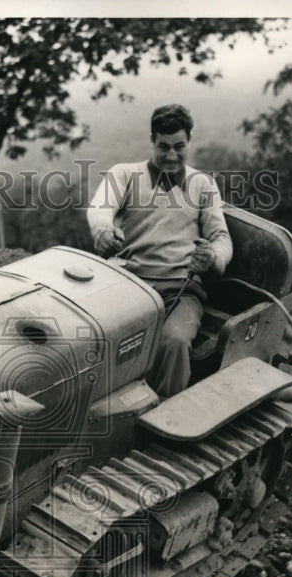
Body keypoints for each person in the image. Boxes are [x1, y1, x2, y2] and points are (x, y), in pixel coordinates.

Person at [86, 104, 233, 397]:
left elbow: (221, 237)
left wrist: (213, 258)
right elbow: (99, 209)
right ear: (152, 140)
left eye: (179, 146)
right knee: (96, 339)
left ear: (189, 141)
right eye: (163, 146)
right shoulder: (124, 175)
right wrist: (103, 231)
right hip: (128, 285)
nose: (171, 155)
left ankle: (164, 421)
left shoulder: (203, 184)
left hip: (180, 290)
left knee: (175, 342)